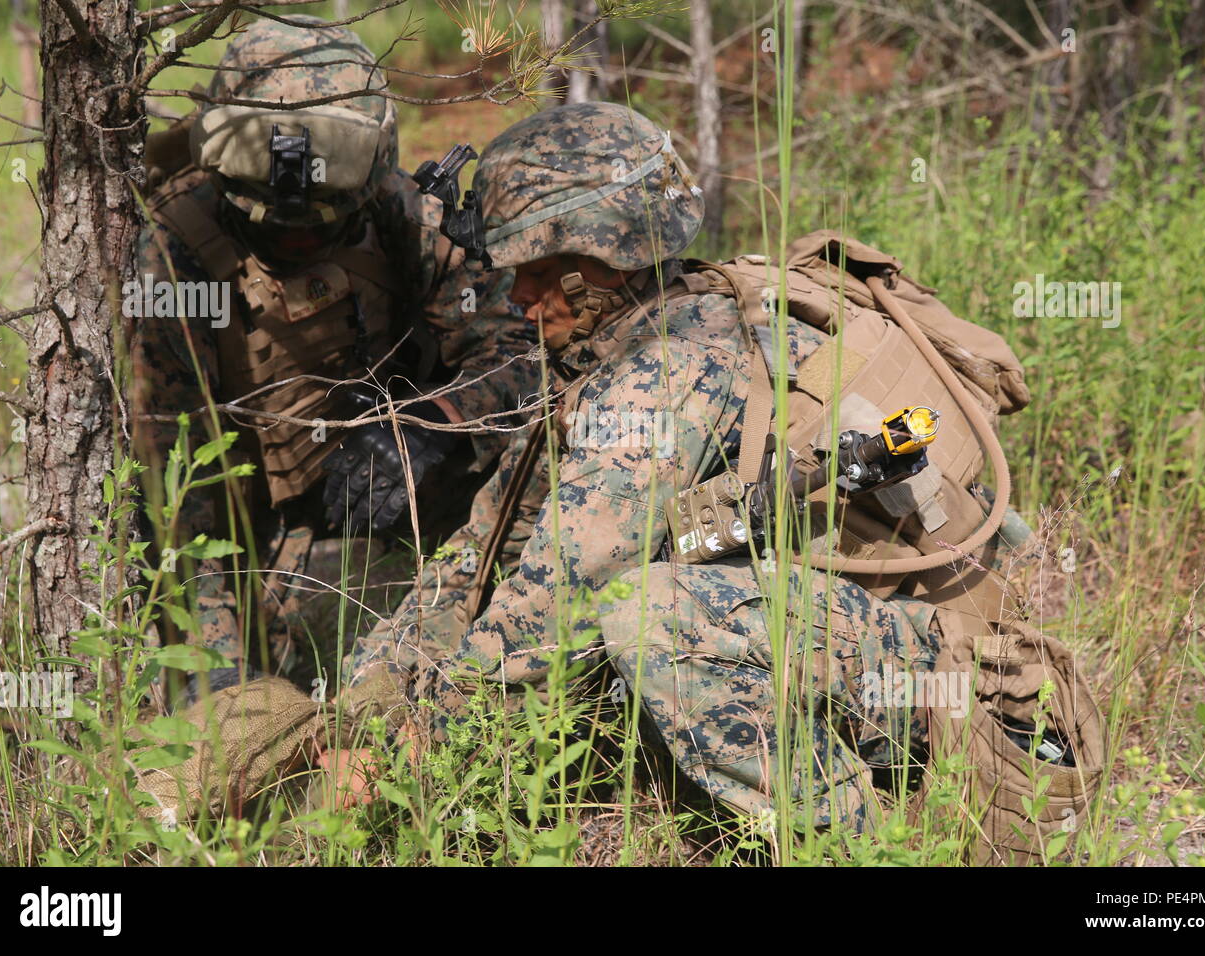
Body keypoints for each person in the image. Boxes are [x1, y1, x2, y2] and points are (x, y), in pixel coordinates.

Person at [330, 100, 1044, 828]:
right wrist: (362, 709)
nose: (517, 299)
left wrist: (405, 757)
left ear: (602, 264)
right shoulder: (612, 353)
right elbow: (481, 556)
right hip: (825, 642)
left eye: (539, 272)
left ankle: (868, 841)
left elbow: (552, 614)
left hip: (934, 674)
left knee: (653, 616)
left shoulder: (664, 375)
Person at [129, 16, 539, 697]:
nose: (295, 242)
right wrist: (222, 679)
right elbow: (176, 497)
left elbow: (520, 349)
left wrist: (433, 418)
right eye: (268, 222)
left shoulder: (395, 211)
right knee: (255, 690)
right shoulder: (172, 259)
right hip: (246, 535)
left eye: (323, 220)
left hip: (389, 486)